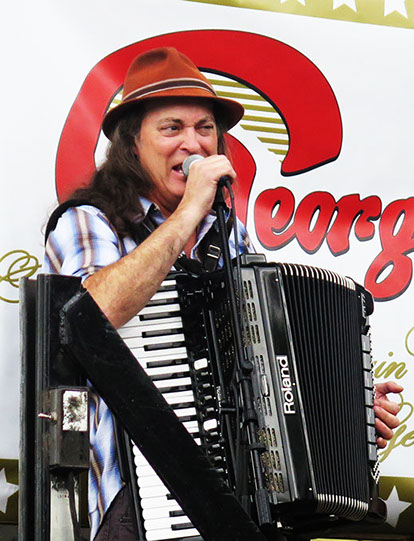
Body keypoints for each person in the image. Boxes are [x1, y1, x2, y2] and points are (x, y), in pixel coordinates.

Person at [44, 47, 403, 539]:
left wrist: (350, 409)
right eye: (172, 128)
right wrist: (187, 212)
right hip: (137, 499)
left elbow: (262, 369)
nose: (193, 144)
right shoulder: (87, 221)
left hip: (233, 501)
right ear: (132, 147)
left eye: (205, 129)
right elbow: (91, 320)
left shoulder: (228, 235)